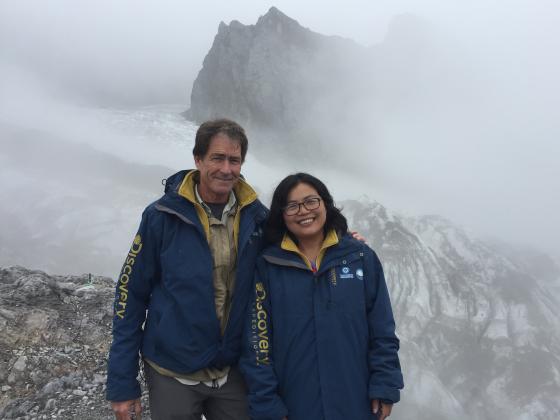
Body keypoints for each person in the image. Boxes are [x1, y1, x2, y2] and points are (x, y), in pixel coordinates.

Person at [106, 119, 268, 420]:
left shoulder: (257, 218)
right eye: (217, 158)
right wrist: (122, 382)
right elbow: (131, 293)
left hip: (231, 368)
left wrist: (344, 242)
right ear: (198, 159)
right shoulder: (161, 216)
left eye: (234, 160)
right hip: (172, 371)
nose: (226, 169)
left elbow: (296, 252)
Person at [240, 173, 403, 420]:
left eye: (311, 201)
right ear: (281, 214)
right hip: (294, 404)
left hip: (355, 401)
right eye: (292, 206)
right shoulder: (268, 266)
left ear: (325, 203)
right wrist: (267, 404)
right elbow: (257, 341)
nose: (303, 211)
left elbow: (382, 330)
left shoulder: (360, 257)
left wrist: (385, 385)